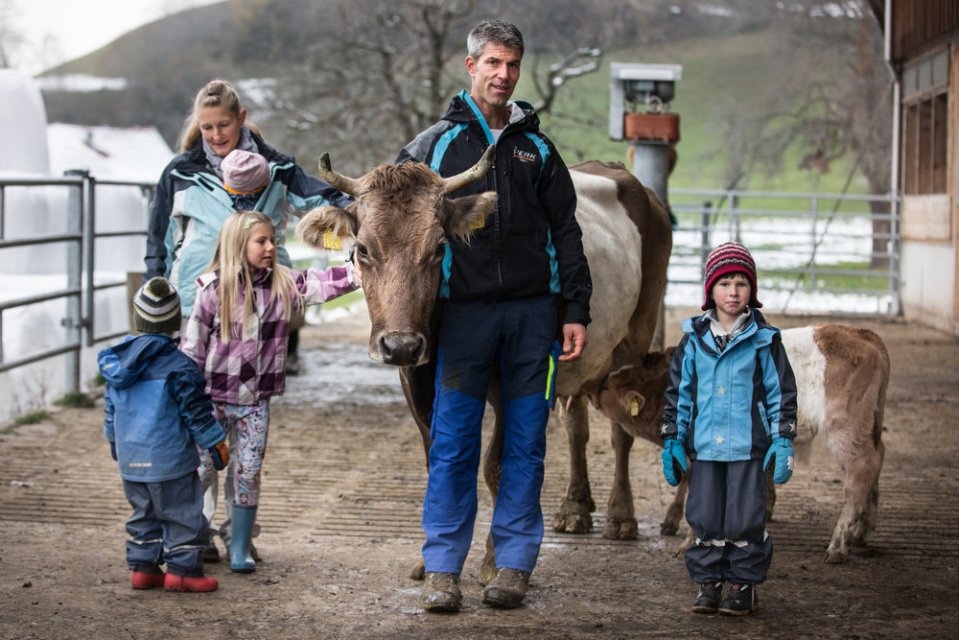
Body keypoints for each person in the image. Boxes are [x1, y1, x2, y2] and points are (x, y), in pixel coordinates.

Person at [396, 19, 592, 612]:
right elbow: (394, 226)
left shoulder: (538, 148)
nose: (503, 76)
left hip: (534, 317)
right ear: (470, 66)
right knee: (452, 442)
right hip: (464, 318)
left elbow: (566, 231)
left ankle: (512, 564)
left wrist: (575, 309)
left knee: (526, 445)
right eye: (493, 64)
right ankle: (443, 570)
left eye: (512, 65)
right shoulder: (432, 147)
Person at [144, 79, 351, 561]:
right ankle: (194, 531)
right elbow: (158, 240)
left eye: (224, 125)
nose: (216, 135)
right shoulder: (180, 172)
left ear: (242, 118)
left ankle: (237, 536)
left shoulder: (275, 168)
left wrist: (352, 210)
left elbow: (316, 199)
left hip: (258, 310)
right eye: (207, 127)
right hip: (198, 304)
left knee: (247, 448)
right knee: (195, 436)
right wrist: (158, 300)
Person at [179, 211, 359, 574]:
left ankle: (241, 544)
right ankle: (195, 539)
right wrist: (184, 399)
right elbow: (192, 347)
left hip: (255, 404)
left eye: (273, 240)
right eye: (261, 241)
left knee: (248, 471)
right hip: (209, 403)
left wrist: (361, 267)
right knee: (201, 471)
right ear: (237, 245)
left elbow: (323, 283)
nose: (271, 247)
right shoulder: (212, 289)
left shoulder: (282, 284)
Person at [660, 241, 798, 616]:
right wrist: (672, 438)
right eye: (724, 283)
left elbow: (780, 391)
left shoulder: (765, 341)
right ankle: (708, 581)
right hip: (704, 447)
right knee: (704, 516)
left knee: (744, 517)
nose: (733, 292)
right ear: (710, 291)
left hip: (747, 447)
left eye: (741, 283)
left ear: (752, 290)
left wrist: (782, 437)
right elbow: (679, 393)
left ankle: (742, 583)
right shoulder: (693, 340)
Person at [99, 277, 229, 593]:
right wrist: (216, 444)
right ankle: (183, 572)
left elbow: (110, 413)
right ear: (174, 321)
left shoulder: (116, 364)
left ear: (138, 318)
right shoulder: (180, 367)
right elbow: (197, 414)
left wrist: (116, 445)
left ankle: (144, 569)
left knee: (143, 516)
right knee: (182, 515)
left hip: (131, 461)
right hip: (170, 461)